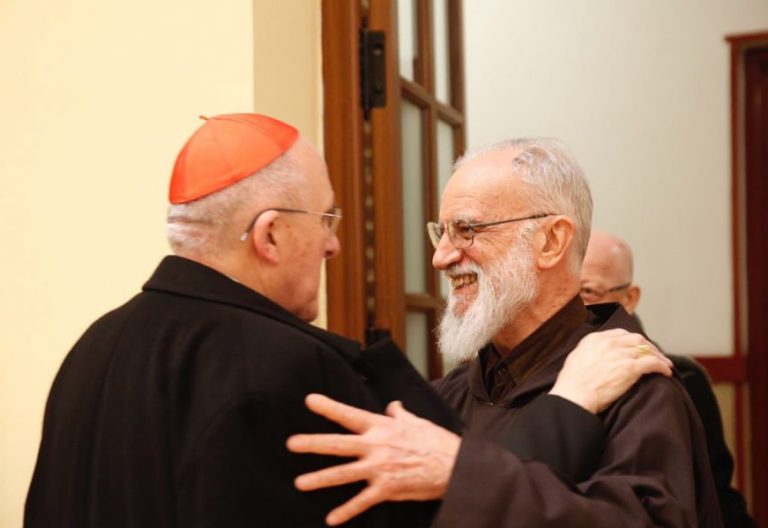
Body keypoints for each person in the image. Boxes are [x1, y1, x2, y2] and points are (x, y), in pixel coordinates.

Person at [24, 116, 668, 528]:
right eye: (326, 221)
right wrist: (569, 409)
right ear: (270, 235)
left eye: (467, 230)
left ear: (553, 241)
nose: (336, 247)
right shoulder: (288, 368)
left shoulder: (89, 352)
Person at [288, 138, 723, 527]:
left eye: (468, 230)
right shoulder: (452, 392)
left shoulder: (635, 387)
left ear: (551, 241)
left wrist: (460, 473)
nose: (440, 258)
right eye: (442, 232)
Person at [581, 229, 756, 528]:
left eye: (587, 292)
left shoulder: (679, 379)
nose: (574, 307)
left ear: (630, 297)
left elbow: (716, 496)